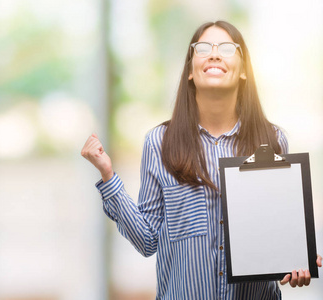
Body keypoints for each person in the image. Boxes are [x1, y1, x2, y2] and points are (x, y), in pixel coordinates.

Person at [81, 20, 322, 299]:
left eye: (228, 48)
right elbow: (147, 240)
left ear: (244, 71)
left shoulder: (273, 140)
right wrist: (108, 176)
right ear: (190, 71)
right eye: (204, 48)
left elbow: (279, 238)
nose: (215, 54)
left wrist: (294, 259)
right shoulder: (159, 142)